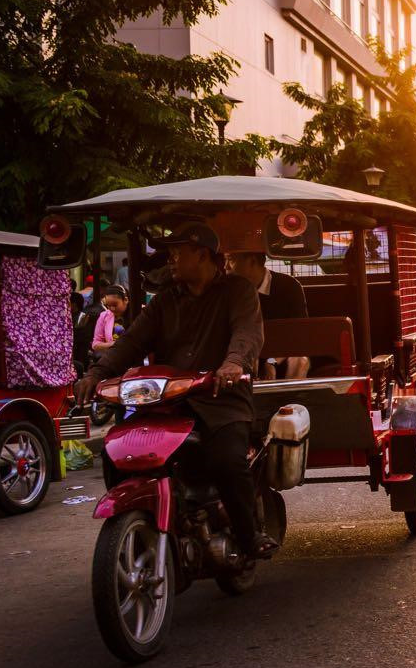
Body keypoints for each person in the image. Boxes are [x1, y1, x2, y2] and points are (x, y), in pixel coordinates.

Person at [74, 224, 276, 559]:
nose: (172, 259)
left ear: (203, 254)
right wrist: (95, 373)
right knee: (119, 454)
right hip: (168, 404)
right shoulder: (165, 302)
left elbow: (246, 333)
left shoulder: (238, 291)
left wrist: (234, 363)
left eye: (179, 252)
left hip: (221, 399)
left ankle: (248, 535)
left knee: (227, 460)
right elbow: (132, 342)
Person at [225, 250, 310, 379]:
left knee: (299, 360)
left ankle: (292, 398)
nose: (226, 267)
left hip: (279, 357)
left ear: (252, 261)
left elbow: (298, 337)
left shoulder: (289, 287)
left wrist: (271, 361)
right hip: (244, 354)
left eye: (230, 260)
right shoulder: (229, 290)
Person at [90, 285, 129, 354]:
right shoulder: (104, 316)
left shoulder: (137, 313)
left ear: (125, 300)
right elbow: (95, 344)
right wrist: (115, 344)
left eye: (115, 305)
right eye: (108, 305)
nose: (112, 308)